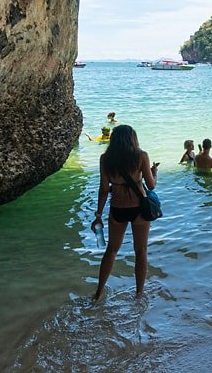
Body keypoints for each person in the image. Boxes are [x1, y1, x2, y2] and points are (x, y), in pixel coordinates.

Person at [91, 125, 158, 301]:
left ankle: (98, 292)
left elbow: (104, 189)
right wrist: (154, 173)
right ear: (132, 139)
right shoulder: (141, 156)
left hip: (117, 209)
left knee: (111, 250)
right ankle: (139, 294)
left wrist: (98, 214)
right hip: (139, 210)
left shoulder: (105, 159)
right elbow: (151, 186)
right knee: (141, 250)